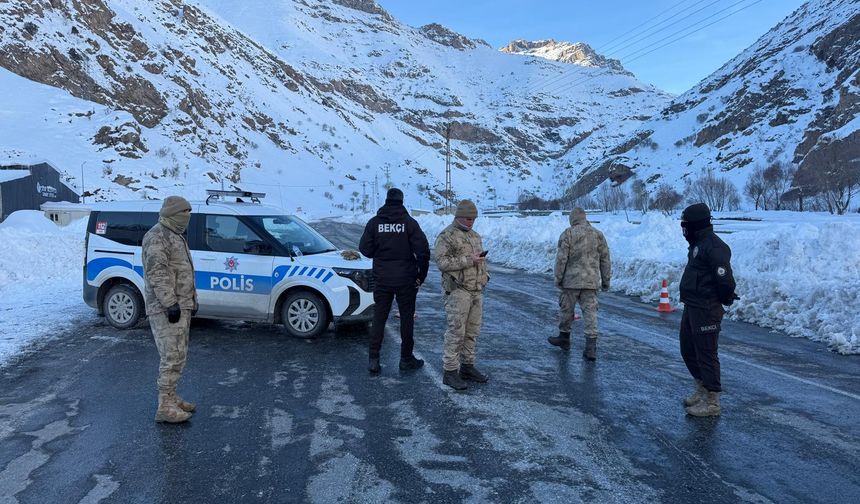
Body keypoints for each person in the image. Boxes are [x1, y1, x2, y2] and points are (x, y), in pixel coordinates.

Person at [359, 188, 430, 374]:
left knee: (379, 318)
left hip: (382, 278)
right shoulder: (409, 223)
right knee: (407, 319)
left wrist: (380, 253)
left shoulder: (375, 223)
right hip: (406, 279)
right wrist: (420, 276)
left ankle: (373, 360)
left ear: (386, 201)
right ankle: (406, 359)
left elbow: (364, 250)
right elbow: (423, 251)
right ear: (401, 201)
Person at [678, 202, 738, 417]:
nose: (684, 231)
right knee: (688, 349)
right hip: (692, 305)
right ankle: (702, 389)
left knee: (706, 352)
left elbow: (725, 280)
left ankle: (712, 401)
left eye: (686, 226)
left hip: (706, 307)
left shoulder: (714, 247)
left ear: (696, 225)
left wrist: (720, 299)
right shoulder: (698, 244)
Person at [142, 196, 198, 423]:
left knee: (179, 356)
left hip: (180, 304)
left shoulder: (174, 235)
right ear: (173, 214)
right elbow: (158, 273)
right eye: (185, 212)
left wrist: (191, 301)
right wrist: (169, 303)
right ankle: (164, 405)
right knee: (171, 356)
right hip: (165, 308)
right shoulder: (157, 236)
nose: (188, 217)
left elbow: (183, 272)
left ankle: (172, 397)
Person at [434, 199, 490, 390]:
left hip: (476, 290)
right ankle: (450, 371)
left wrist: (485, 275)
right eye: (468, 219)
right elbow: (442, 262)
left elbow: (480, 260)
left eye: (473, 219)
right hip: (458, 291)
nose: (471, 222)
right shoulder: (447, 236)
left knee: (472, 331)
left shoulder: (475, 236)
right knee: (456, 331)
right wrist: (468, 260)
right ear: (458, 217)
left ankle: (467, 366)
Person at [548, 208, 611, 360]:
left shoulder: (568, 234)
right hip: (591, 282)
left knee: (566, 311)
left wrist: (558, 278)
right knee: (590, 313)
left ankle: (564, 338)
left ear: (572, 219)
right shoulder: (598, 235)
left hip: (571, 282)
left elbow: (561, 259)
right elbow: (605, 259)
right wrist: (606, 281)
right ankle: (591, 348)